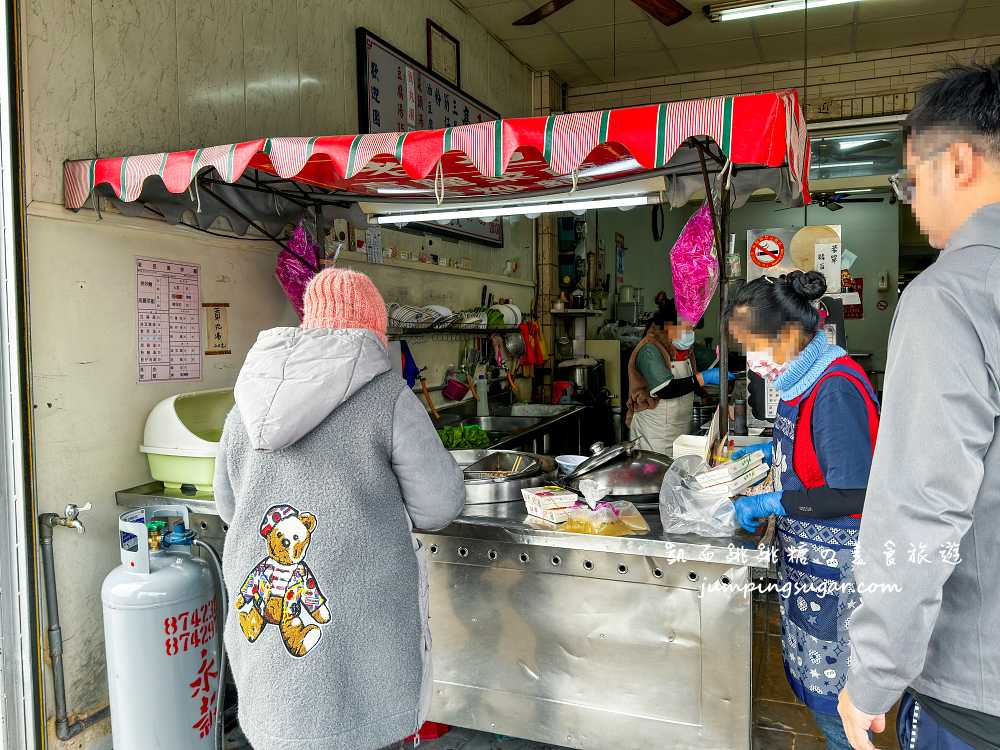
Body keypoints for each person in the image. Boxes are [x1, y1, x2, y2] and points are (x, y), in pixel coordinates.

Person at [213, 267, 466, 750]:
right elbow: (439, 505)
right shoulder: (386, 395)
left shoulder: (244, 404)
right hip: (362, 659)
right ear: (373, 330)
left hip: (270, 671)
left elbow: (228, 507)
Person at [839, 60, 1000, 750]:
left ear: (959, 162)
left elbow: (922, 505)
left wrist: (873, 675)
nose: (909, 201)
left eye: (909, 180)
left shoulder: (949, 295)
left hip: (977, 689)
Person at [726, 271, 880, 750]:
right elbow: (811, 454)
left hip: (838, 573)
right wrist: (766, 456)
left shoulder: (834, 386)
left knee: (841, 710)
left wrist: (773, 500)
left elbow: (854, 493)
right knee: (820, 696)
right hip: (811, 566)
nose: (750, 361)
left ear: (790, 334)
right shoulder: (803, 379)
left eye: (753, 346)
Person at [626, 299, 725, 456]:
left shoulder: (685, 350)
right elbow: (666, 389)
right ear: (667, 326)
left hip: (680, 429)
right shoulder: (650, 350)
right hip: (654, 433)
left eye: (691, 328)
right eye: (685, 328)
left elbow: (712, 359)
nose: (690, 333)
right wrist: (703, 378)